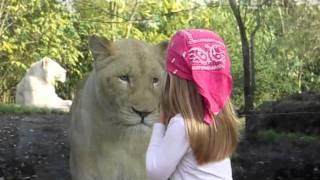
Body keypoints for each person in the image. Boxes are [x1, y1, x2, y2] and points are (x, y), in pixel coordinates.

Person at [146, 29, 240, 180]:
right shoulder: (218, 120)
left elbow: (154, 172)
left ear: (176, 80)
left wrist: (161, 122)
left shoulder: (182, 125)